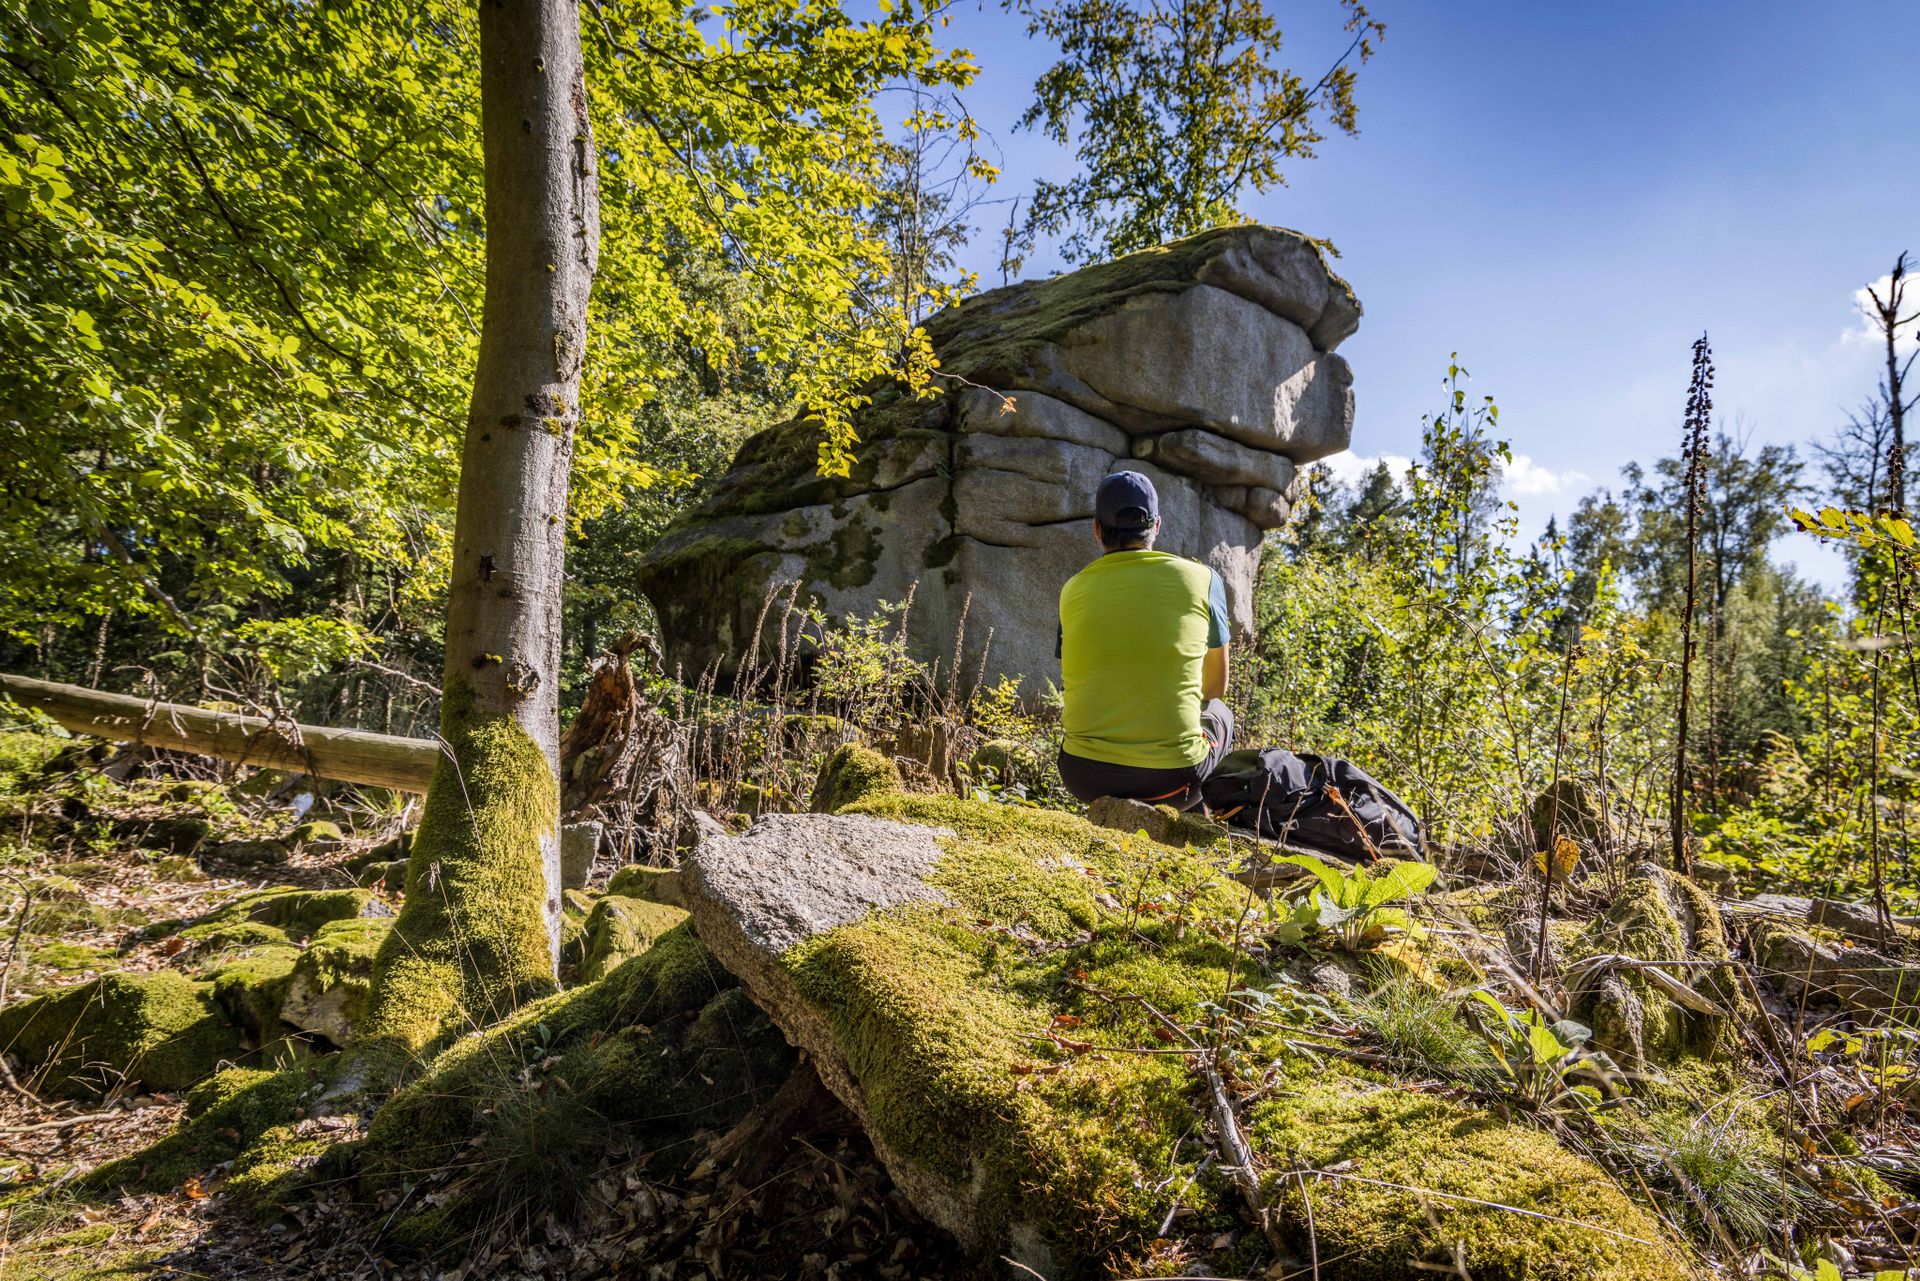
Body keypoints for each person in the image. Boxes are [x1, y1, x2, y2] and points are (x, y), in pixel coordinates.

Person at [1056, 470, 1235, 808]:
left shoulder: (1072, 589)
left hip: (1082, 776)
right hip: (1174, 781)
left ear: (1096, 529)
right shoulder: (1203, 579)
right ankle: (1192, 830)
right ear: (1157, 526)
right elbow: (1215, 688)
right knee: (1220, 713)